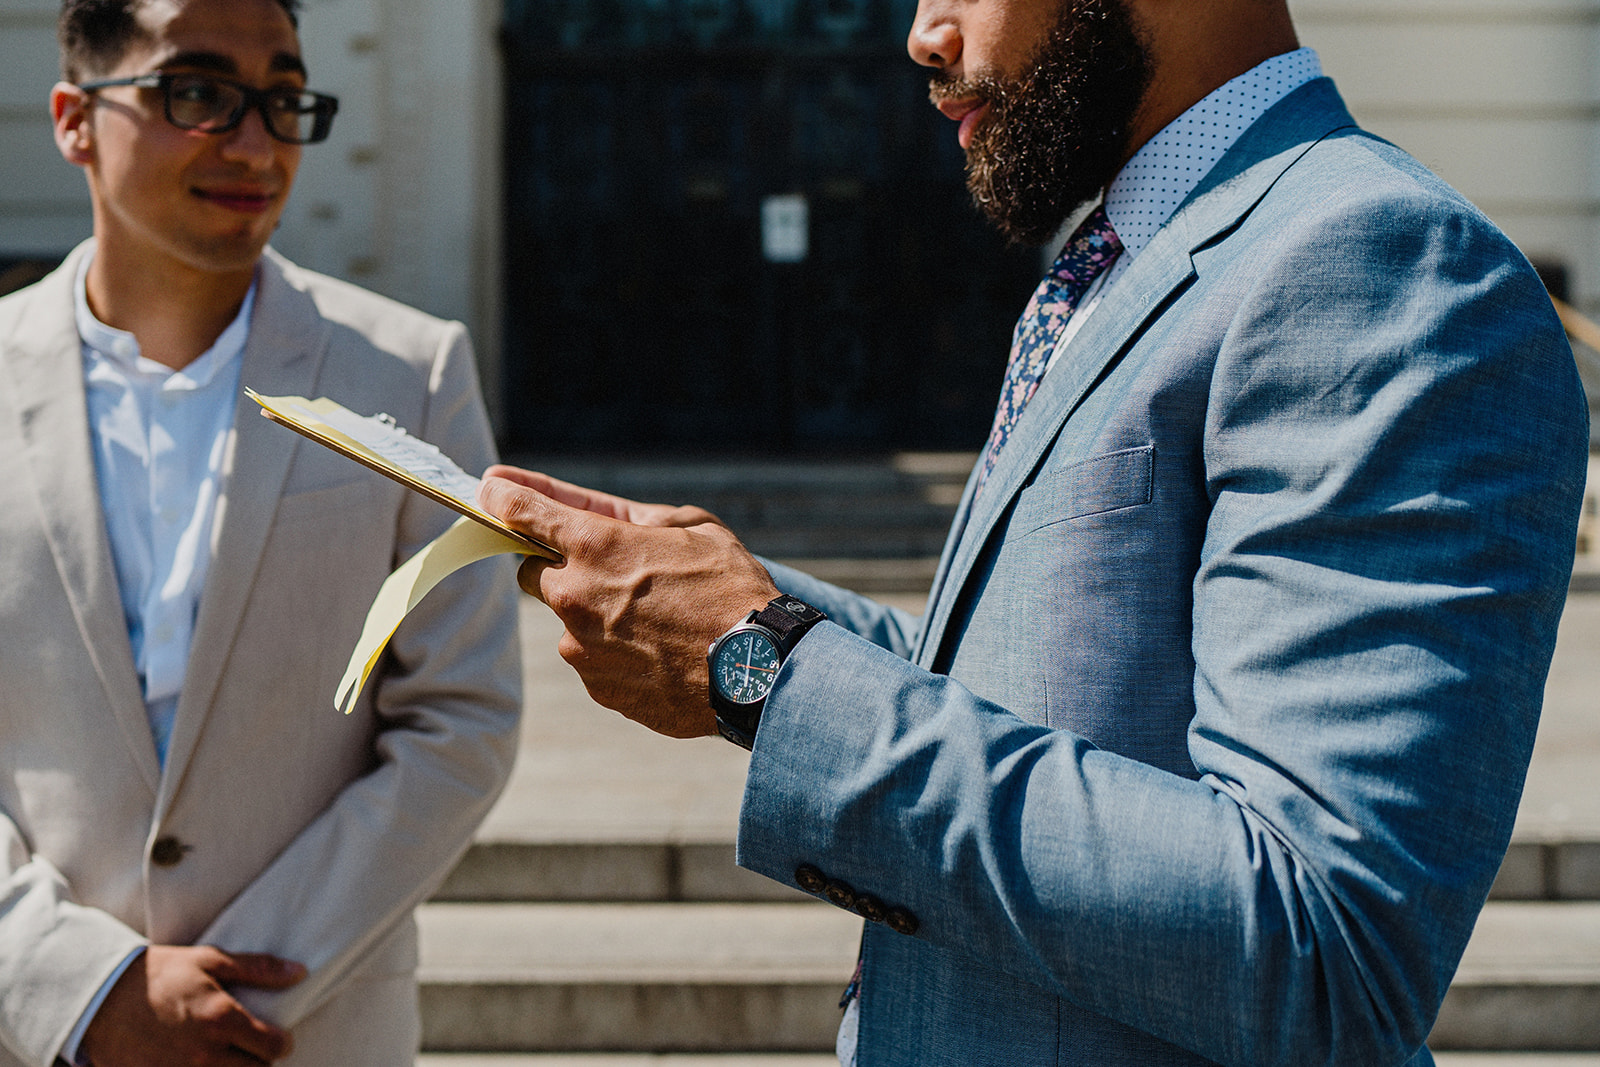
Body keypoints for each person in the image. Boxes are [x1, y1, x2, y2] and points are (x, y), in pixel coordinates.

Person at [477, 0, 1590, 1063]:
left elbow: (1321, 946)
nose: (920, 36)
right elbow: (1049, 702)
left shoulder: (1380, 262)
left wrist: (764, 672)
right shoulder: (1125, 251)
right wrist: (727, 602)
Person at [0, 1, 521, 1064]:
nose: (255, 143)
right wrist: (81, 984)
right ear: (72, 120)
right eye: (197, 93)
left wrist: (238, 986)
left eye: (283, 100)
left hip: (308, 1027)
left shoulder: (411, 375)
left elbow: (460, 716)